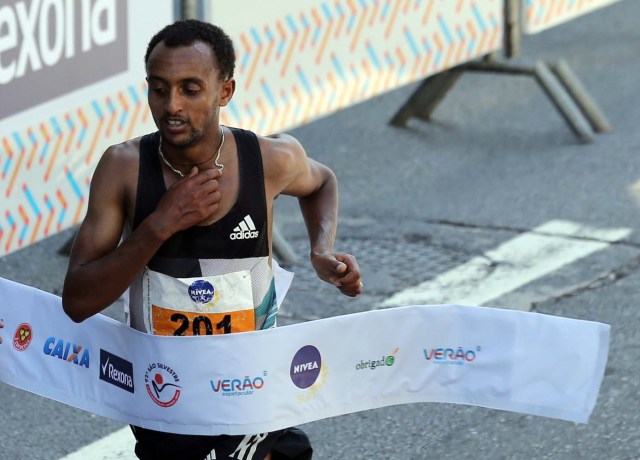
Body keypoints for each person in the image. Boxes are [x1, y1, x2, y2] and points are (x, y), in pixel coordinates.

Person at [61, 19, 362, 460]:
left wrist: (321, 248)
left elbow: (321, 183)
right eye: (159, 89)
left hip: (252, 391)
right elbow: (77, 300)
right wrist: (159, 227)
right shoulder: (123, 169)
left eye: (190, 89)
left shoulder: (270, 159)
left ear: (225, 92)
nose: (172, 106)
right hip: (165, 398)